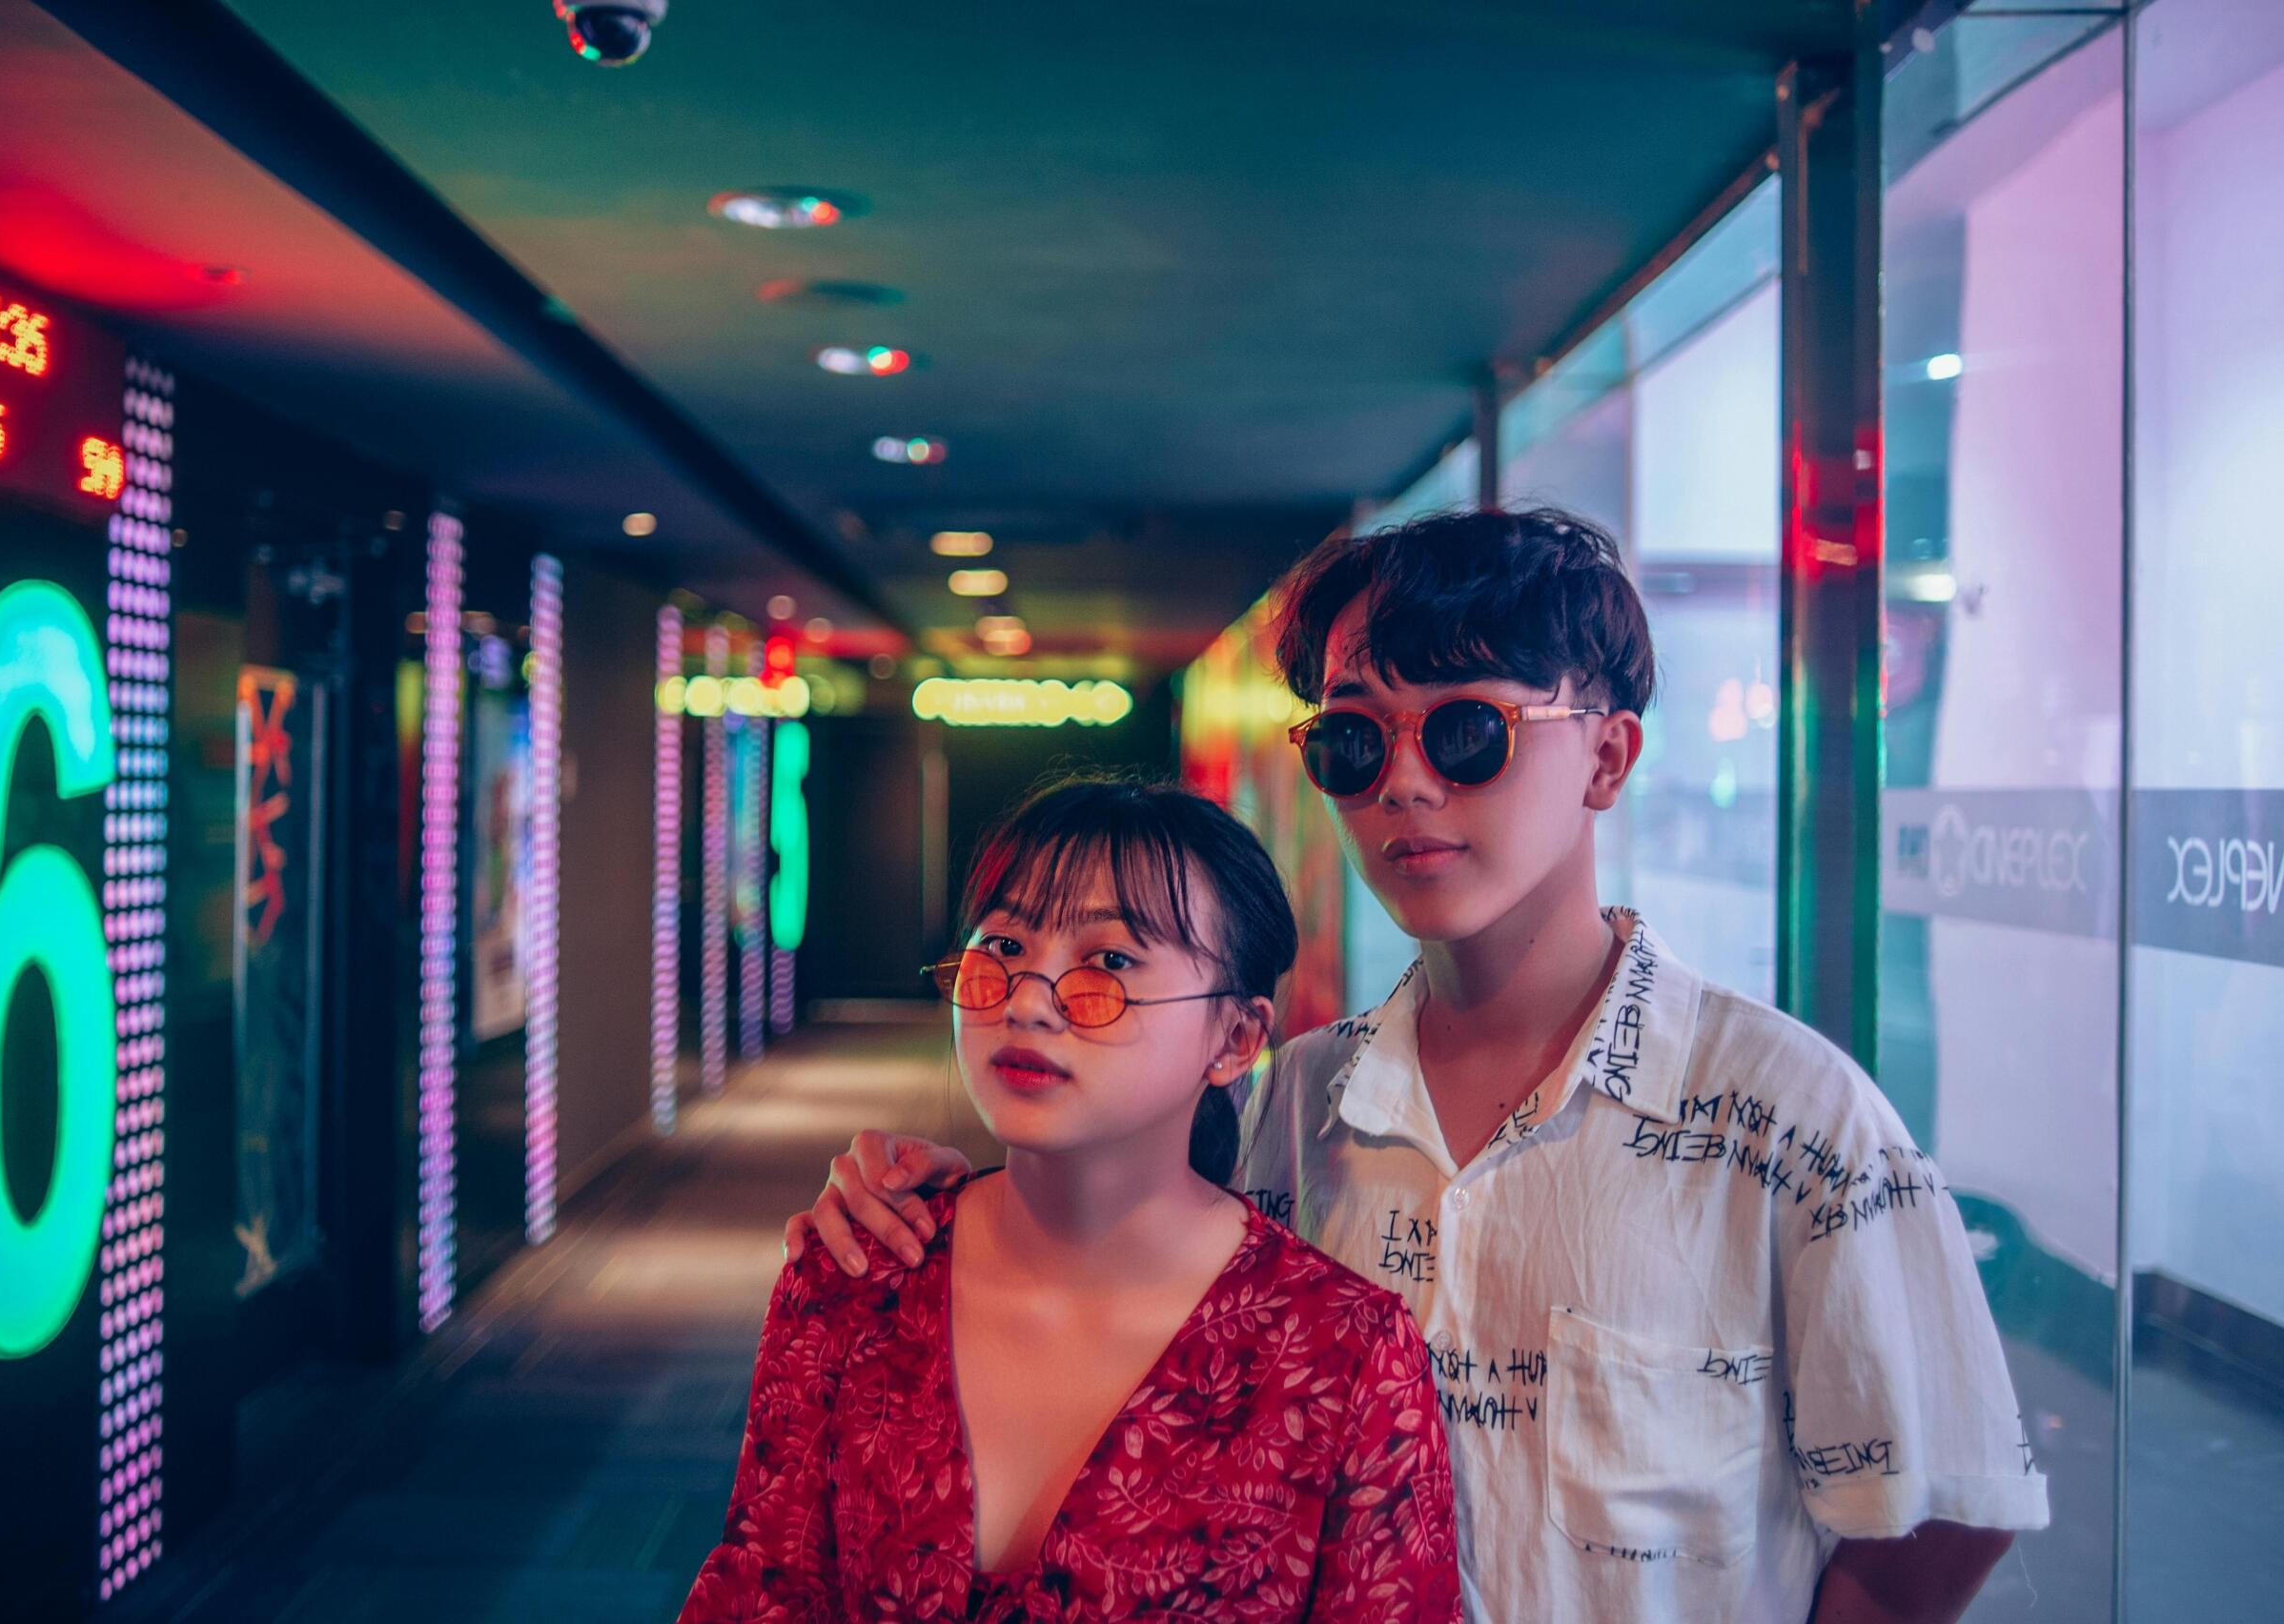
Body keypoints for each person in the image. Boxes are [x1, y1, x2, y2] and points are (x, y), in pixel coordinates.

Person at [791, 509, 2049, 1624]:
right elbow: (1092, 1272)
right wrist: (926, 1205)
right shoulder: (1290, 1105)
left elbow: (1947, 1500)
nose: (1401, 784)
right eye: (1351, 742)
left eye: (1466, 734)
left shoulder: (1787, 1115)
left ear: (1607, 758)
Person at [683, 777, 1460, 1622]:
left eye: (1111, 962)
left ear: (1235, 1040)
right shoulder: (859, 1274)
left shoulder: (1341, 1357)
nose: (1026, 1002)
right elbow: (763, 1590)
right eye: (1006, 946)